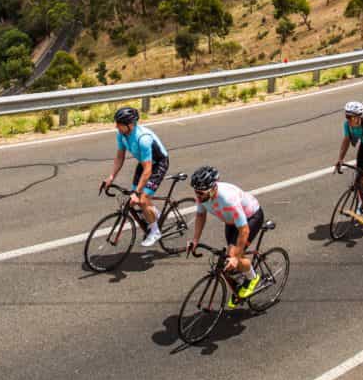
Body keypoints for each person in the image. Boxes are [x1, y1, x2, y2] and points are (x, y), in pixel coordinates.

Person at [186, 165, 264, 305]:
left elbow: (244, 230)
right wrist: (195, 240)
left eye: (201, 193)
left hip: (250, 218)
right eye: (196, 192)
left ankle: (252, 278)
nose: (198, 196)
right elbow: (200, 215)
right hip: (231, 222)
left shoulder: (228, 200)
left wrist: (236, 257)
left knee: (235, 256)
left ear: (213, 188)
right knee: (229, 257)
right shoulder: (203, 196)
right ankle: (241, 278)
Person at [100, 106, 169, 246]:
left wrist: (137, 192)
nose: (116, 126)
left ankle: (155, 231)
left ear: (130, 125)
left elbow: (148, 170)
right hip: (144, 163)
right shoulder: (121, 134)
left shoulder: (143, 138)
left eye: (119, 124)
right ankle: (154, 213)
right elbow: (120, 157)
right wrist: (111, 177)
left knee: (142, 199)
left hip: (157, 164)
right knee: (134, 200)